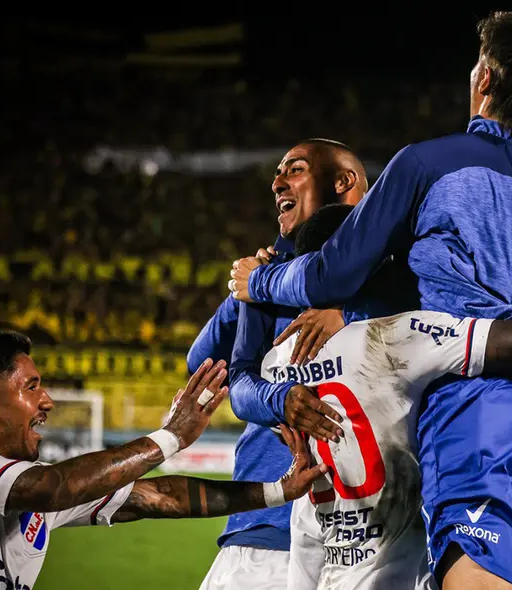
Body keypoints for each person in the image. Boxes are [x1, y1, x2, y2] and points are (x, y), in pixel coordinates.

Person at [229, 11, 512, 590]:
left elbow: (332, 275)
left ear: (485, 77)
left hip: (476, 394)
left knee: (475, 574)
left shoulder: (428, 163)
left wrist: (256, 283)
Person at [272, 204, 512, 589]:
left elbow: (304, 532)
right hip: (400, 573)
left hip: (330, 562)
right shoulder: (397, 337)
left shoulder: (278, 363)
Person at [0, 331, 326, 590]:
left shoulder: (29, 484)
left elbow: (155, 496)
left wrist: (277, 490)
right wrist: (170, 437)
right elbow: (53, 488)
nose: (47, 401)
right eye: (31, 387)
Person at [191, 139, 369, 590]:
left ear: (343, 182)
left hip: (370, 534)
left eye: (295, 170)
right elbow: (205, 365)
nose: (276, 183)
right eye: (278, 172)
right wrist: (251, 286)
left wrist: (351, 314)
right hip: (268, 531)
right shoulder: (274, 274)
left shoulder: (397, 267)